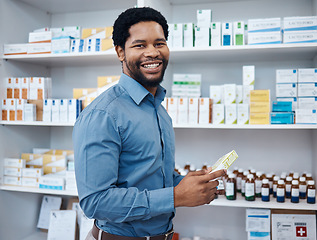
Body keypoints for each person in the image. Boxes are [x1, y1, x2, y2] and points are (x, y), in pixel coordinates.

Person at [73, 7, 226, 240]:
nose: (152, 52)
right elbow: (95, 202)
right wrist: (176, 196)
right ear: (120, 52)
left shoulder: (159, 110)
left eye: (159, 43)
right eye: (140, 45)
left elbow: (151, 176)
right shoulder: (103, 114)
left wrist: (188, 183)